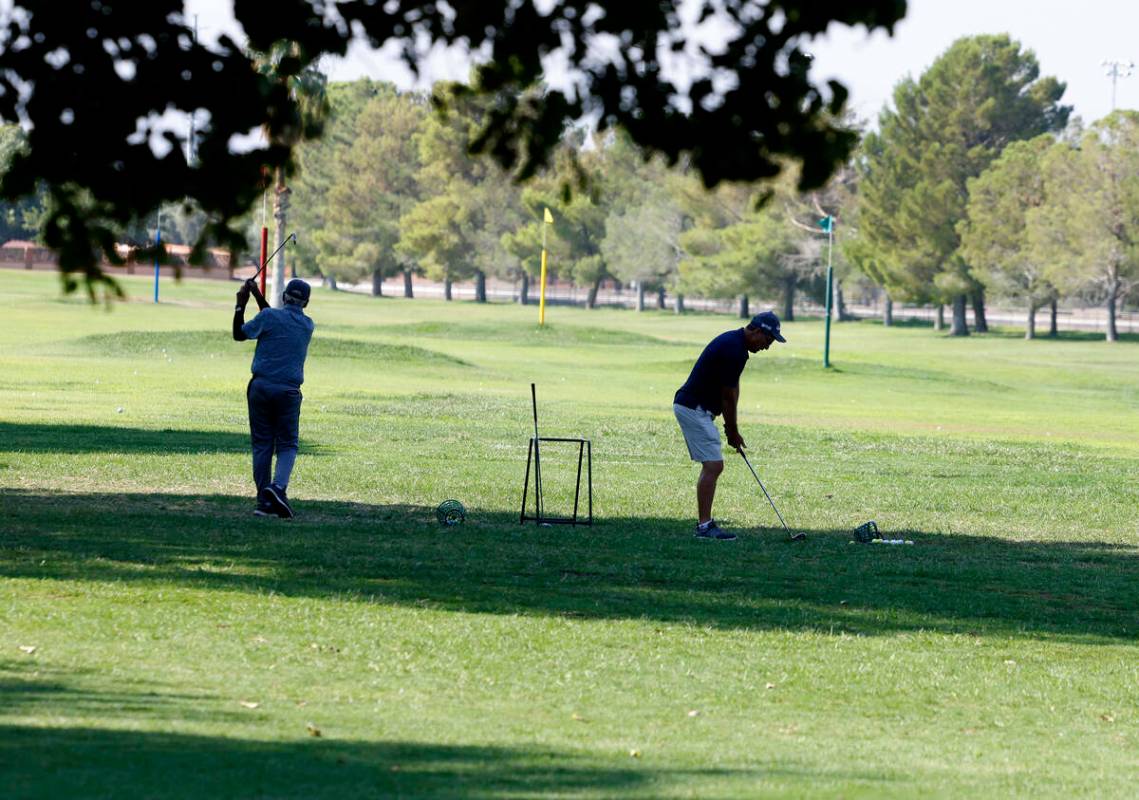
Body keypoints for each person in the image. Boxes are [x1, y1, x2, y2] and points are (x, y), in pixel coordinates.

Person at [673, 310, 786, 540]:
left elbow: (732, 389)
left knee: (713, 465)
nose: (767, 346)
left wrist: (731, 429)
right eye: (767, 340)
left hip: (696, 407)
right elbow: (727, 397)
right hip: (693, 408)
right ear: (755, 330)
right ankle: (705, 527)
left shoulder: (736, 345)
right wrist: (732, 430)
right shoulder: (734, 349)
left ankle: (705, 524)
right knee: (714, 466)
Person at [232, 277, 315, 519]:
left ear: (283, 296)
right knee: (287, 444)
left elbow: (240, 334)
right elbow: (274, 318)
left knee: (262, 444)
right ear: (306, 303)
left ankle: (264, 500)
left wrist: (241, 303)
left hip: (260, 387)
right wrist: (257, 296)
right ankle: (277, 488)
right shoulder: (308, 325)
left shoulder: (269, 318)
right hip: (288, 392)